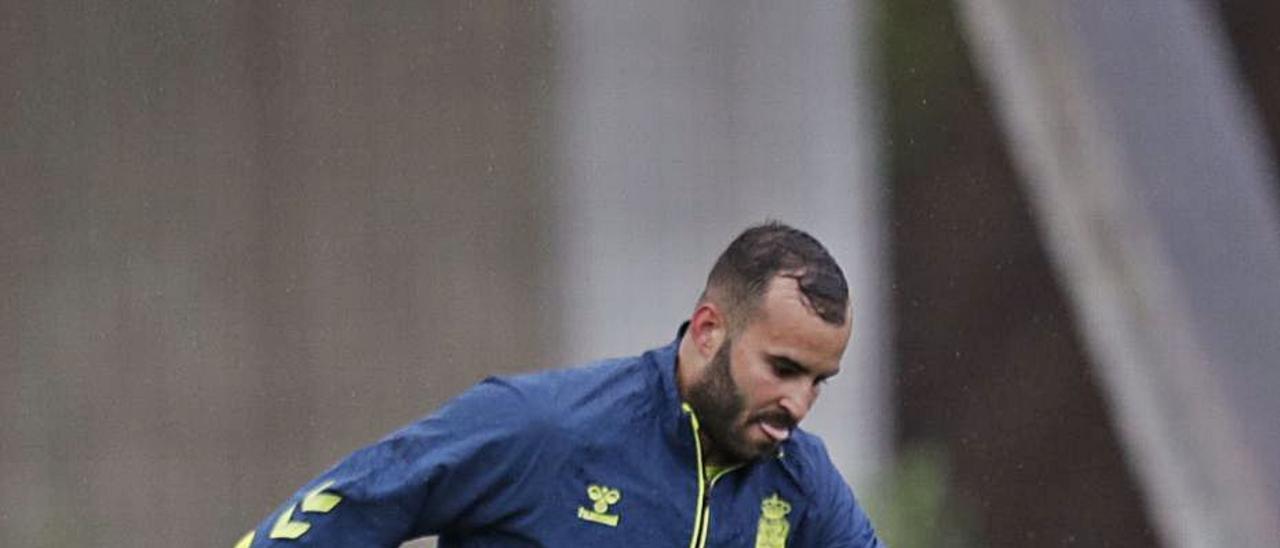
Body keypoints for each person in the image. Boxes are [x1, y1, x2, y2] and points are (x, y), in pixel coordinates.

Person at [235, 222, 883, 547]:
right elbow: (349, 503)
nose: (799, 404)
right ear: (710, 329)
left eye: (819, 381)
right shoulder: (545, 427)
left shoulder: (801, 486)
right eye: (784, 369)